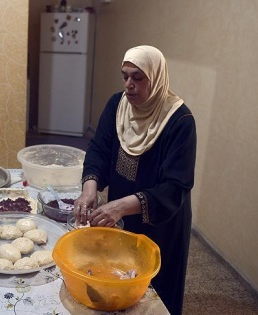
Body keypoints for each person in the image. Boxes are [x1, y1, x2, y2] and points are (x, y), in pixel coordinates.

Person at [74, 45, 196, 315]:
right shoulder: (118, 105)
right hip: (121, 209)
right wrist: (89, 189)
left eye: (138, 78)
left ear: (157, 77)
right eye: (125, 76)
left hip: (161, 222)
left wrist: (119, 206)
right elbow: (99, 149)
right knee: (117, 278)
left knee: (154, 290)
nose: (129, 85)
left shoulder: (179, 121)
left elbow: (175, 187)